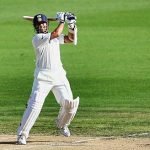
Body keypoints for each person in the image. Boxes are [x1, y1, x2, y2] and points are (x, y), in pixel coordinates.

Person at [17, 12, 79, 145]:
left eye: (44, 23)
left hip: (59, 75)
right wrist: (62, 21)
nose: (42, 26)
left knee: (70, 104)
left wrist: (71, 25)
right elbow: (55, 34)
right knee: (34, 106)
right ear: (36, 27)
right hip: (42, 77)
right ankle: (22, 134)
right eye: (39, 24)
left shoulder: (54, 37)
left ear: (47, 24)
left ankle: (62, 124)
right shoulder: (37, 38)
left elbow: (70, 39)